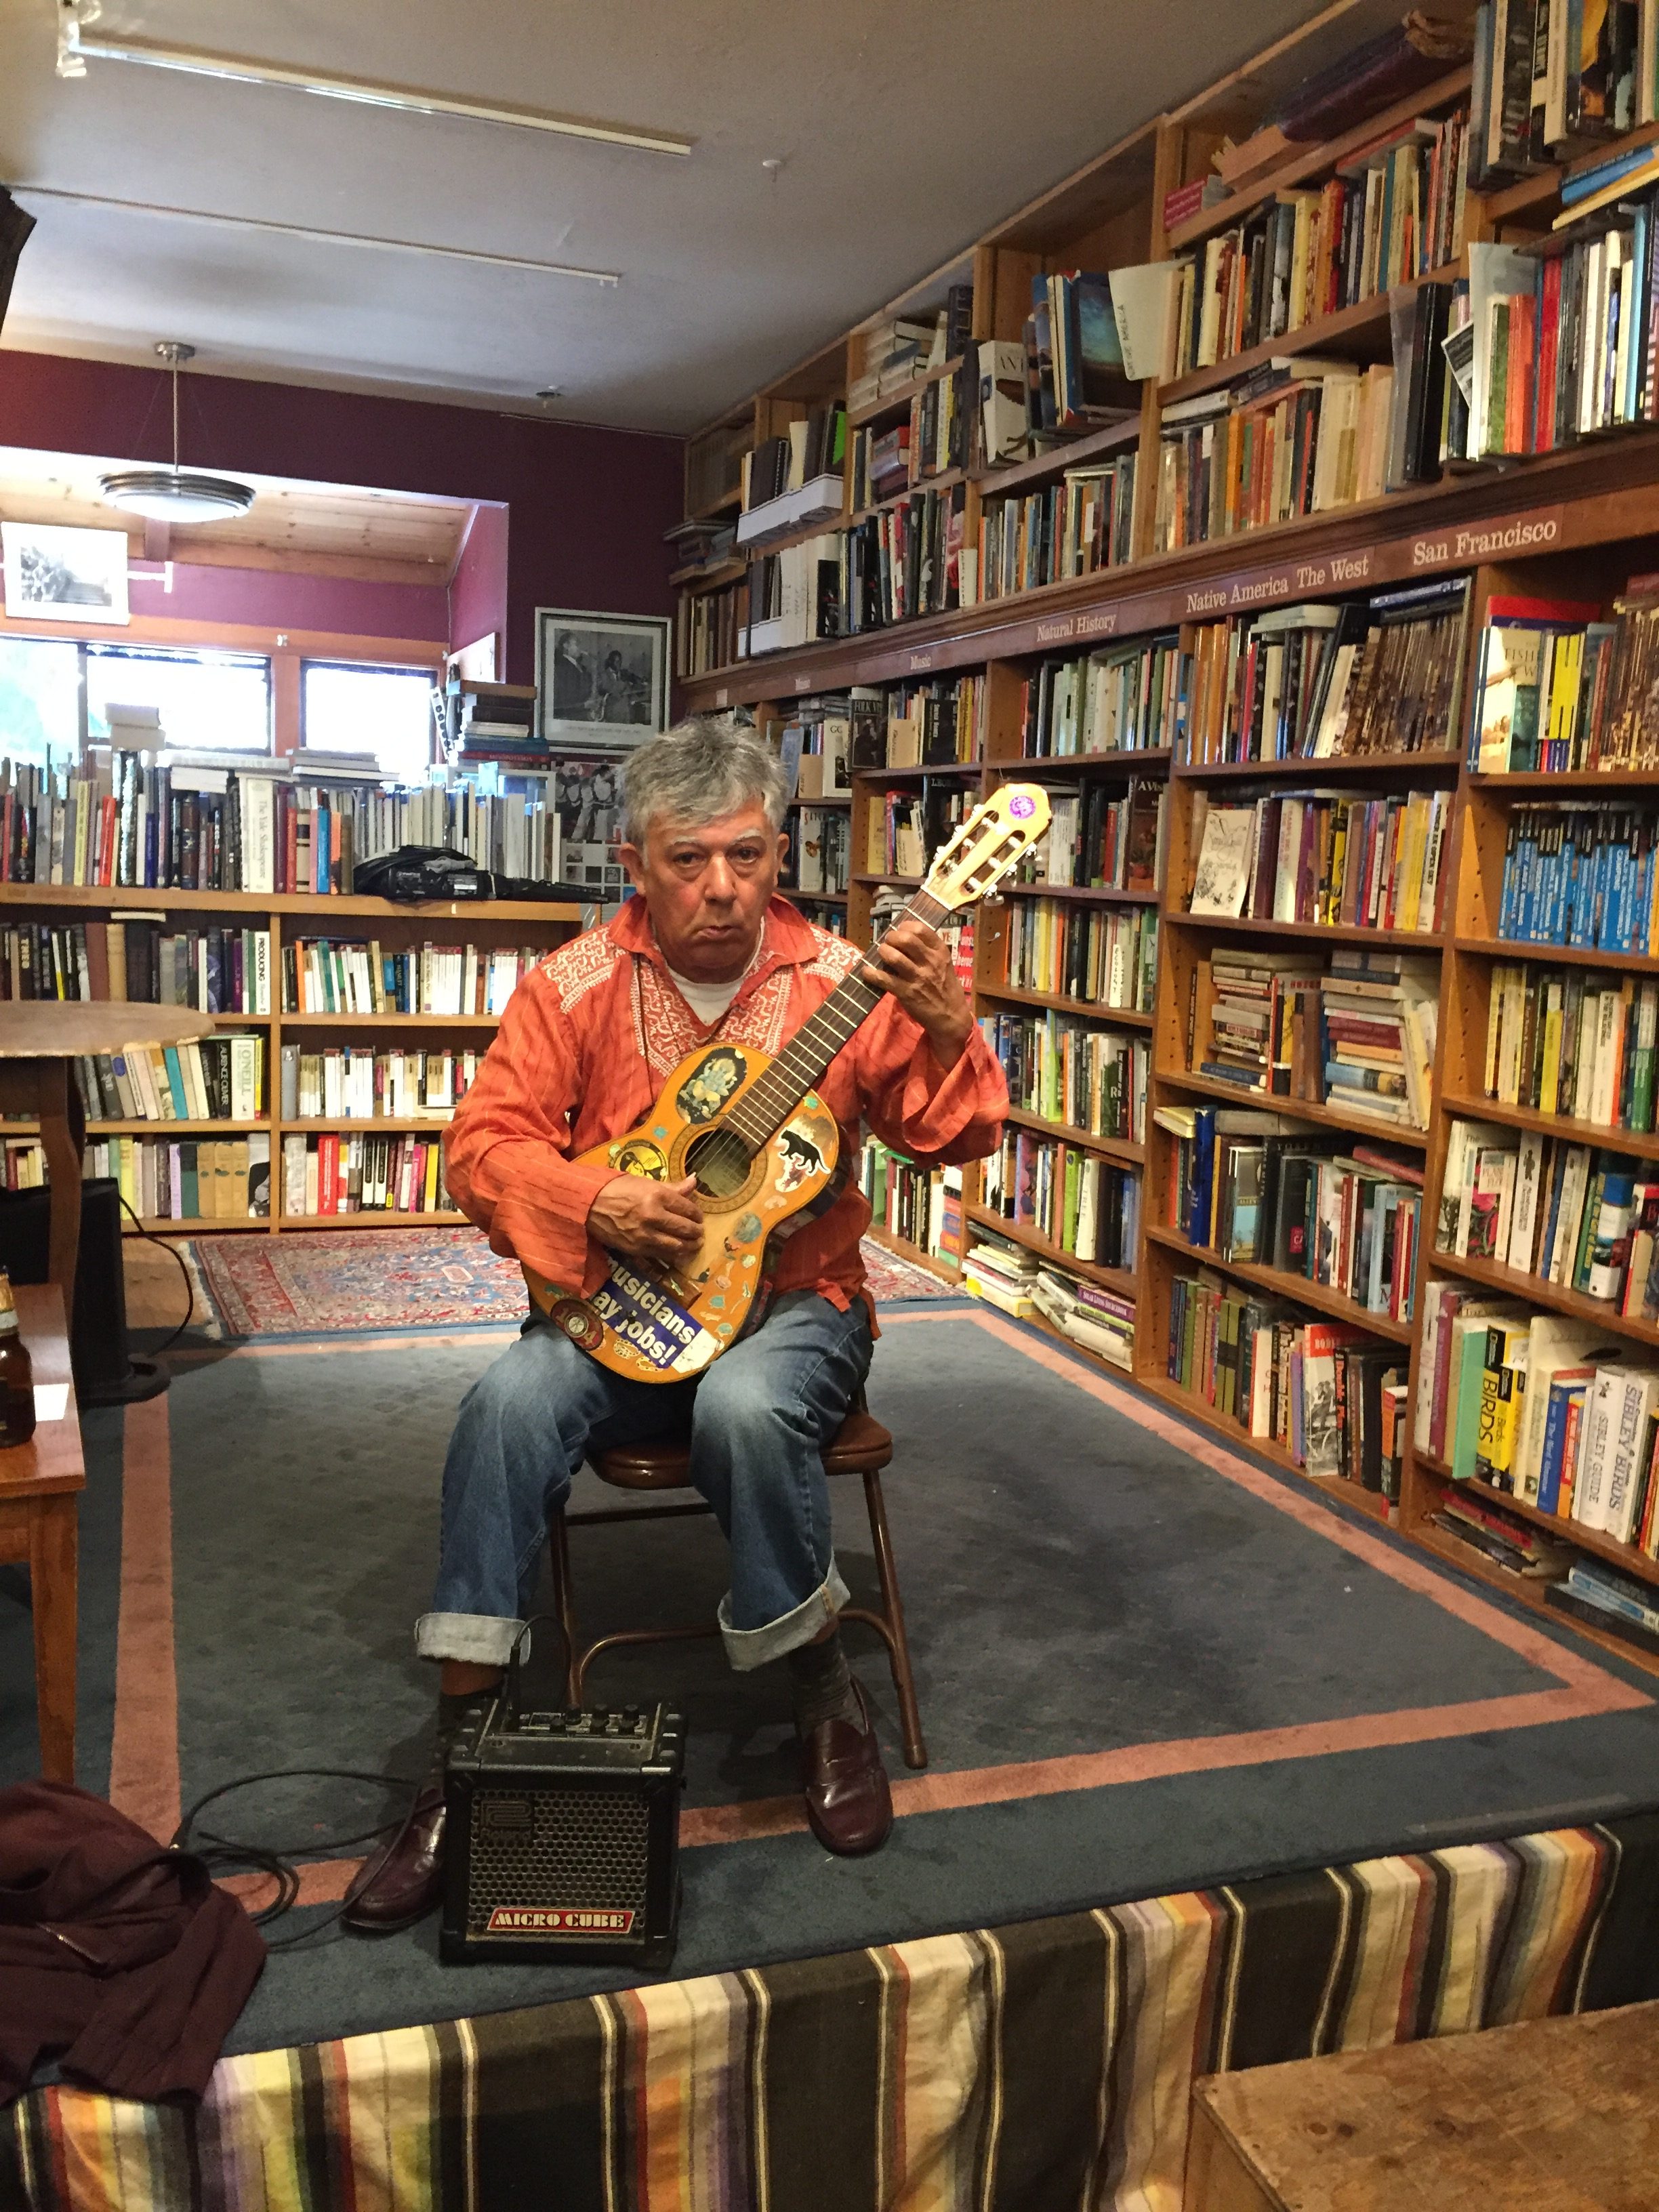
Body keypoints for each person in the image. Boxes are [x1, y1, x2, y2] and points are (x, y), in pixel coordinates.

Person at [345, 714, 1007, 1931]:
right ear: (634, 863)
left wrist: (956, 1029)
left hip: (796, 1303)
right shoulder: (575, 983)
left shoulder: (844, 982)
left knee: (749, 1409)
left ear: (781, 852)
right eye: (688, 859)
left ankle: (820, 1691)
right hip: (618, 1310)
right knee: (502, 1407)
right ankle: (464, 1749)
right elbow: (479, 1150)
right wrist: (597, 1197)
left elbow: (948, 1134)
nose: (721, 888)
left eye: (748, 858)